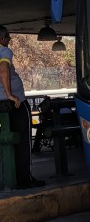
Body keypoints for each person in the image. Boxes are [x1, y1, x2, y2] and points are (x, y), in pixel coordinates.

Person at [0, 25, 45, 189]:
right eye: (8, 38)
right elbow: (3, 70)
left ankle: (6, 178)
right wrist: (11, 95)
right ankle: (24, 179)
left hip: (1, 106)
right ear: (2, 38)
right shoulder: (3, 51)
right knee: (23, 141)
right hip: (14, 104)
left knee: (5, 141)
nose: (9, 41)